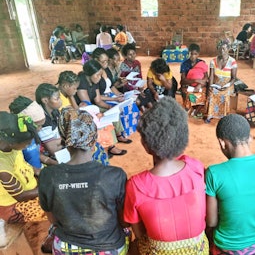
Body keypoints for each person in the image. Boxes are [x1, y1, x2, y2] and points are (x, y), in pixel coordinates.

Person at [124, 98, 209, 254]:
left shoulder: (136, 186)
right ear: (182, 137)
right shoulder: (195, 168)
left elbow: (140, 233)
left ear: (145, 145)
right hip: (200, 250)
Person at [38, 109, 128, 255]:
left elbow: (53, 220)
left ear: (64, 139)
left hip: (66, 248)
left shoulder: (48, 175)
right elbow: (124, 221)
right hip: (109, 247)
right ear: (94, 140)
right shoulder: (115, 176)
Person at [206, 114, 255, 254]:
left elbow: (212, 222)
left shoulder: (214, 173)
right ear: (250, 138)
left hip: (229, 248)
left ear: (222, 143)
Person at [0, 111, 43, 224]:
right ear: (11, 143)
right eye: (27, 143)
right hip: (13, 205)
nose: (28, 145)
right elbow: (20, 196)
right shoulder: (3, 168)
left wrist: (43, 172)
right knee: (52, 214)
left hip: (30, 190)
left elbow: (24, 166)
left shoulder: (12, 148)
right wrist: (48, 188)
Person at [206, 40, 238, 124]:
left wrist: (227, 85)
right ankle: (210, 115)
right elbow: (211, 76)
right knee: (212, 93)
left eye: (224, 49)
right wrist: (211, 86)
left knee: (224, 94)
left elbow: (233, 78)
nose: (222, 51)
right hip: (217, 84)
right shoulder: (213, 61)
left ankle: (224, 116)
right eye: (220, 49)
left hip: (228, 85)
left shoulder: (232, 62)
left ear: (228, 49)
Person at [180, 44, 209, 118]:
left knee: (206, 92)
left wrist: (199, 84)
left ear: (198, 54)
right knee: (186, 92)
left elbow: (206, 76)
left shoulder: (201, 63)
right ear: (188, 53)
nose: (193, 56)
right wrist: (196, 80)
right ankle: (190, 107)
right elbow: (183, 80)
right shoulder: (184, 64)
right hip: (189, 84)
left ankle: (197, 109)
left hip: (200, 85)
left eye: (195, 54)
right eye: (191, 54)